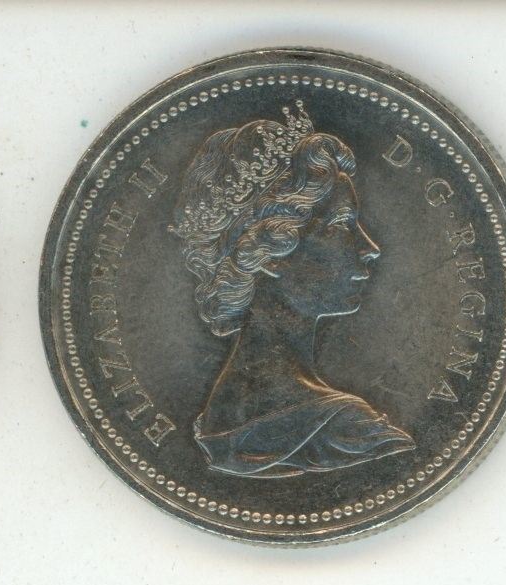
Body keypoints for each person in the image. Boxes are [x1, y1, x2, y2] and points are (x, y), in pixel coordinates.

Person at [169, 101, 415, 479]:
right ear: (268, 252)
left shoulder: (217, 420)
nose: (370, 248)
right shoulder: (348, 431)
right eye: (340, 225)